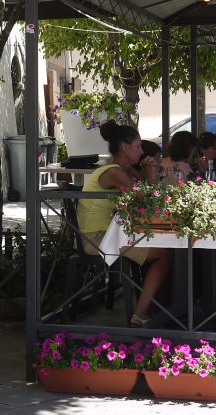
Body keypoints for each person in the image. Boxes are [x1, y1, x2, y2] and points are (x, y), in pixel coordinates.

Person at [75, 120, 169, 327]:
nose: (141, 151)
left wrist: (146, 175)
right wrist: (150, 175)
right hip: (96, 239)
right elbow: (147, 202)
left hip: (107, 234)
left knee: (164, 248)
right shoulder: (114, 172)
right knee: (163, 255)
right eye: (138, 146)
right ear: (125, 148)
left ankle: (156, 307)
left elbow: (145, 197)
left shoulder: (121, 170)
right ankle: (141, 313)